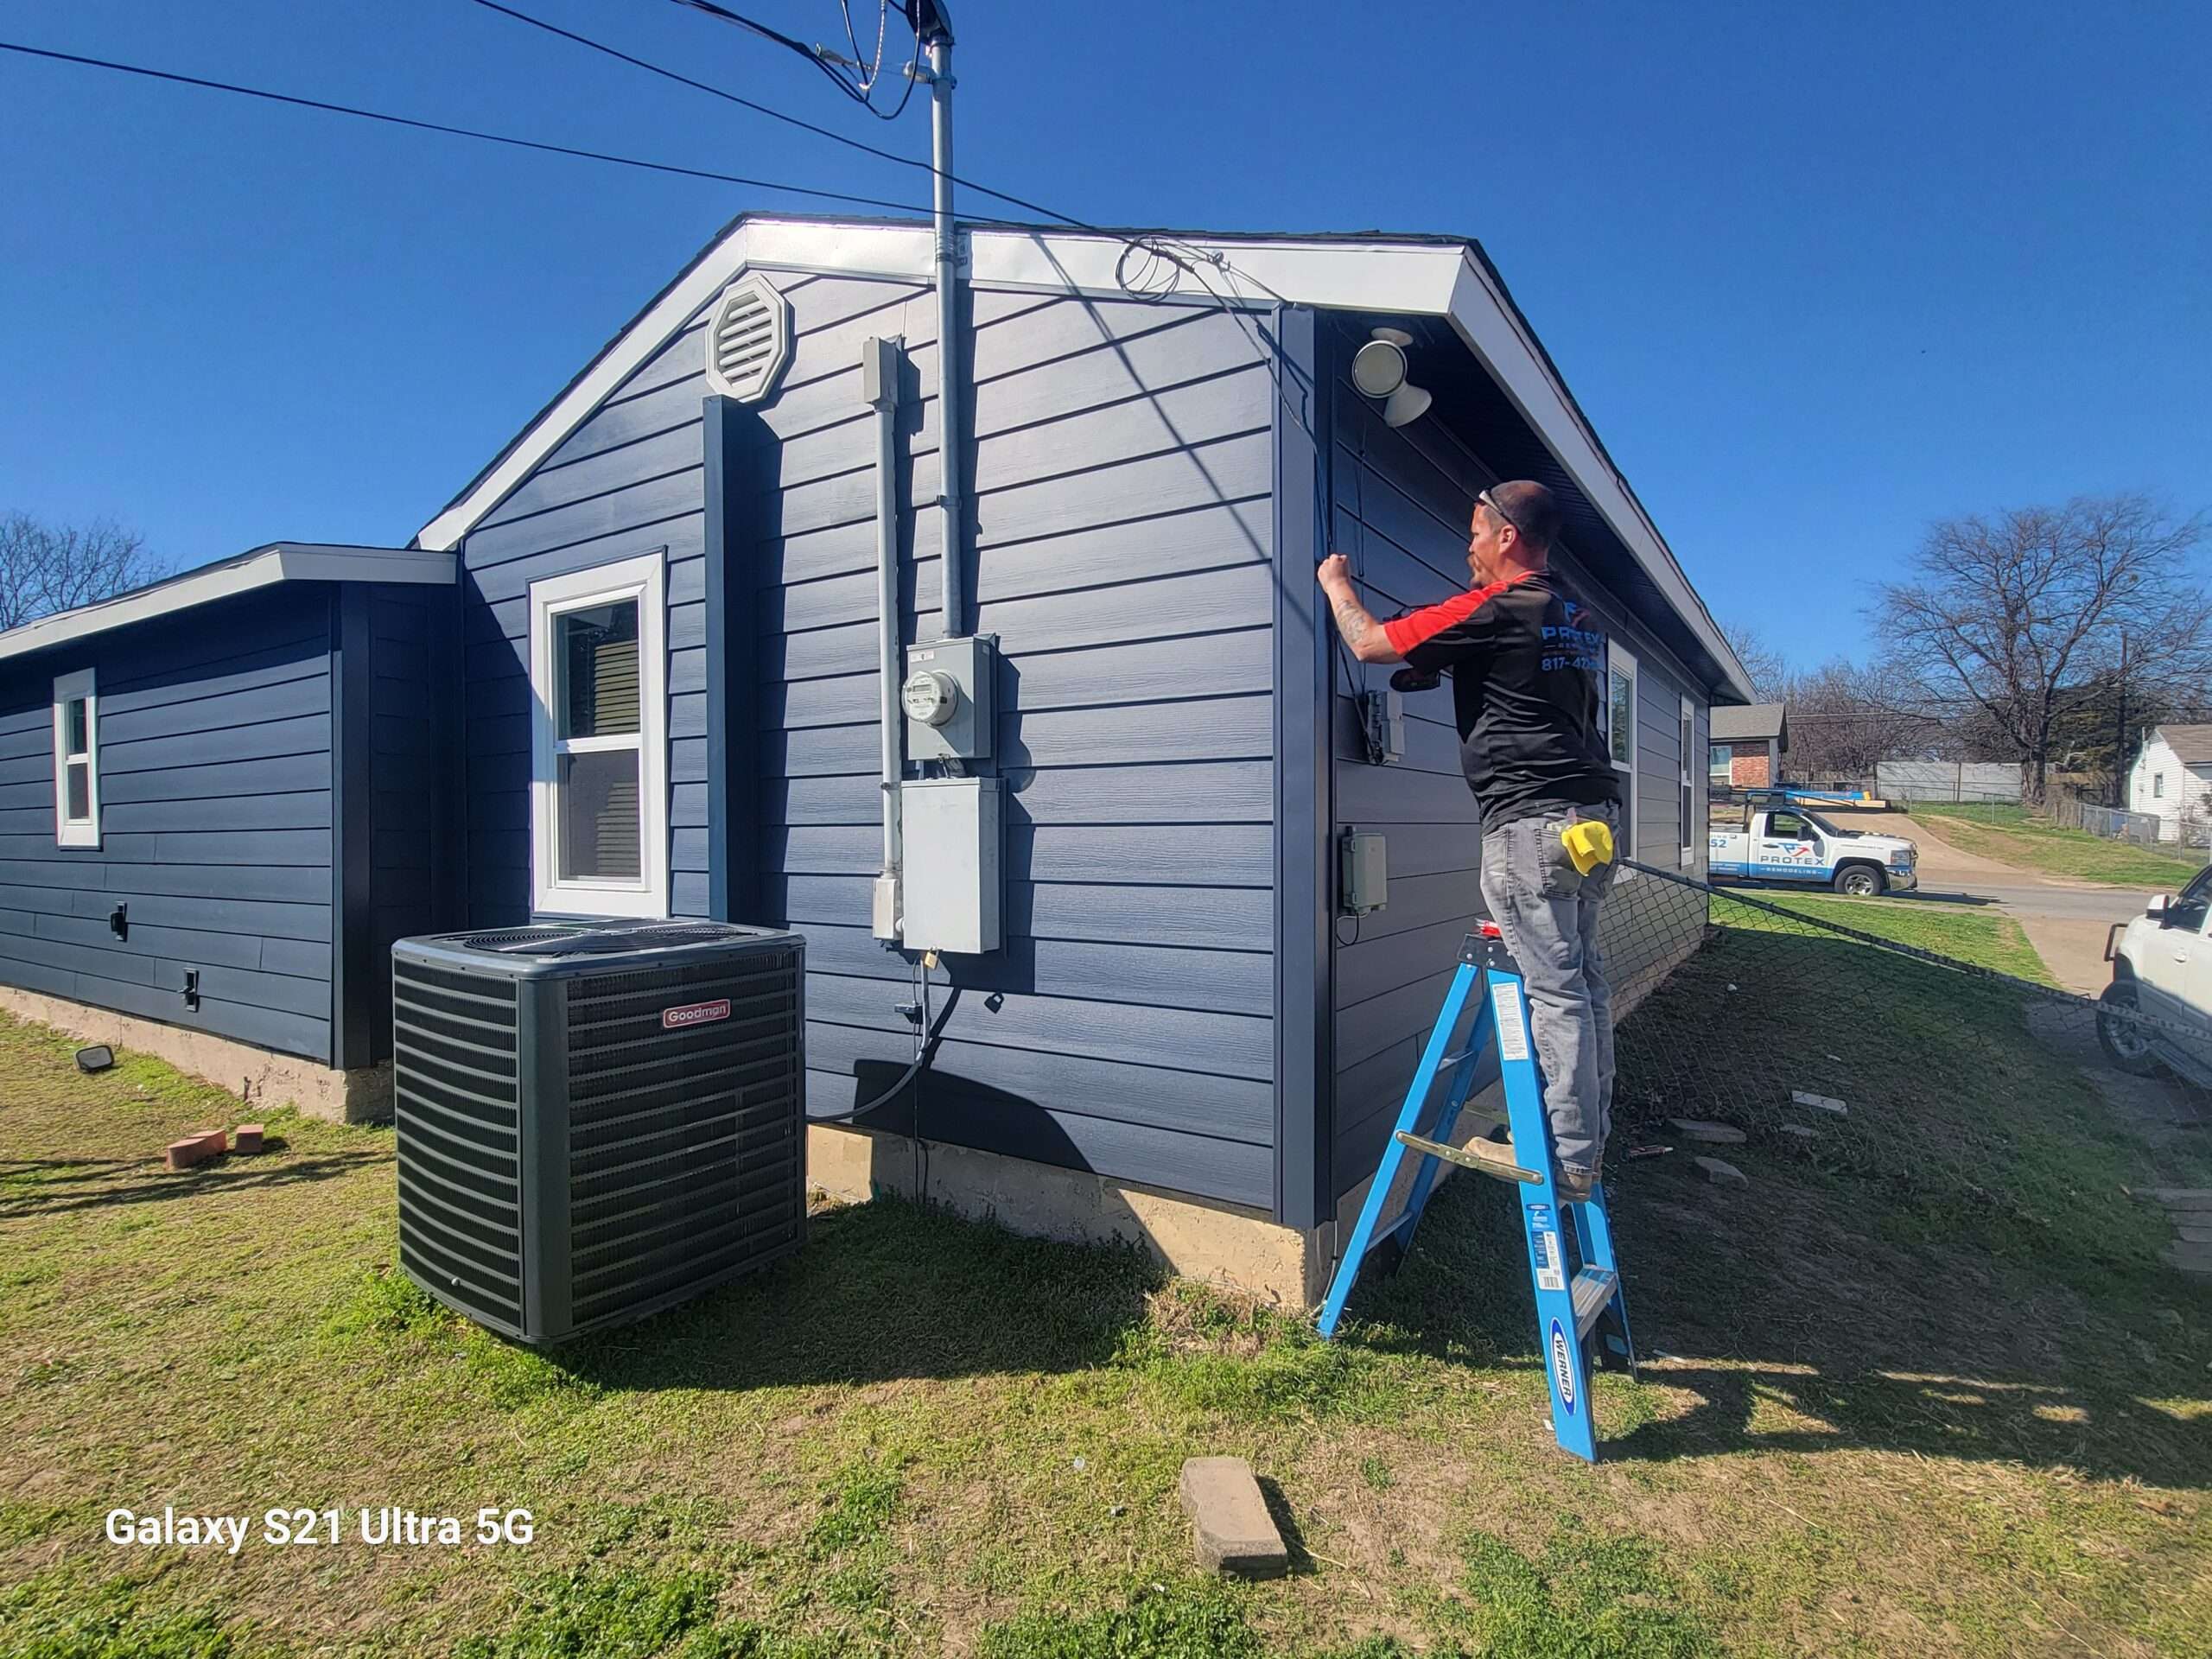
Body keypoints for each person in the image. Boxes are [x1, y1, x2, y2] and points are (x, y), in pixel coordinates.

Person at [1316, 480, 1621, 1202]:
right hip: (1592, 820)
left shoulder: (1497, 605)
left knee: (1556, 993)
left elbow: (1368, 643)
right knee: (1584, 983)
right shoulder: (1574, 612)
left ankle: (1572, 1157)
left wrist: (1334, 584)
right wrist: (1447, 668)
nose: (1469, 548)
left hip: (1531, 824)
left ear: (1509, 536)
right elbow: (1524, 680)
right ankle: (1588, 1134)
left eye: (1477, 534)